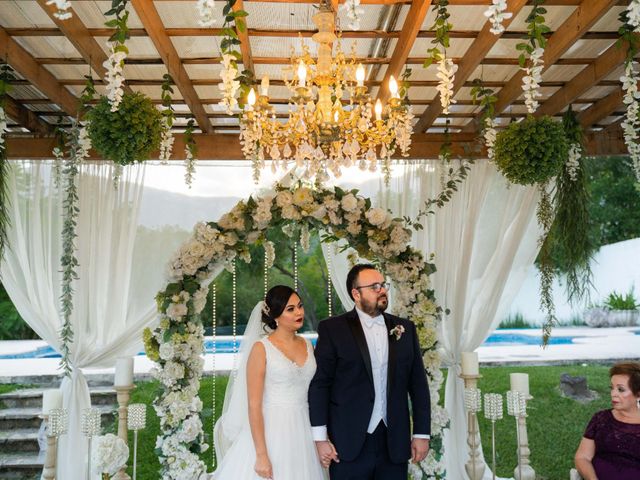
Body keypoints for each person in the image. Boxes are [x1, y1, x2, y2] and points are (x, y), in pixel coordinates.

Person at [309, 263, 431, 480]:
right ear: (356, 294)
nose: (382, 290)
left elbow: (418, 385)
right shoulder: (332, 329)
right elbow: (320, 385)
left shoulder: (405, 329)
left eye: (383, 285)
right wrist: (320, 438)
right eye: (374, 286)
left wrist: (421, 433)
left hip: (394, 442)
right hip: (348, 442)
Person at [212, 285, 326, 480]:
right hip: (273, 430)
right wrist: (261, 455)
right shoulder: (261, 348)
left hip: (303, 428)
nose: (298, 312)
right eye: (290, 309)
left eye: (300, 306)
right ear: (275, 315)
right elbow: (253, 405)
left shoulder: (307, 344)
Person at [574, 361, 640, 480]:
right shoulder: (600, 419)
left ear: (638, 394)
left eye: (621, 389)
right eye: (612, 388)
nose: (613, 393)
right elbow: (582, 457)